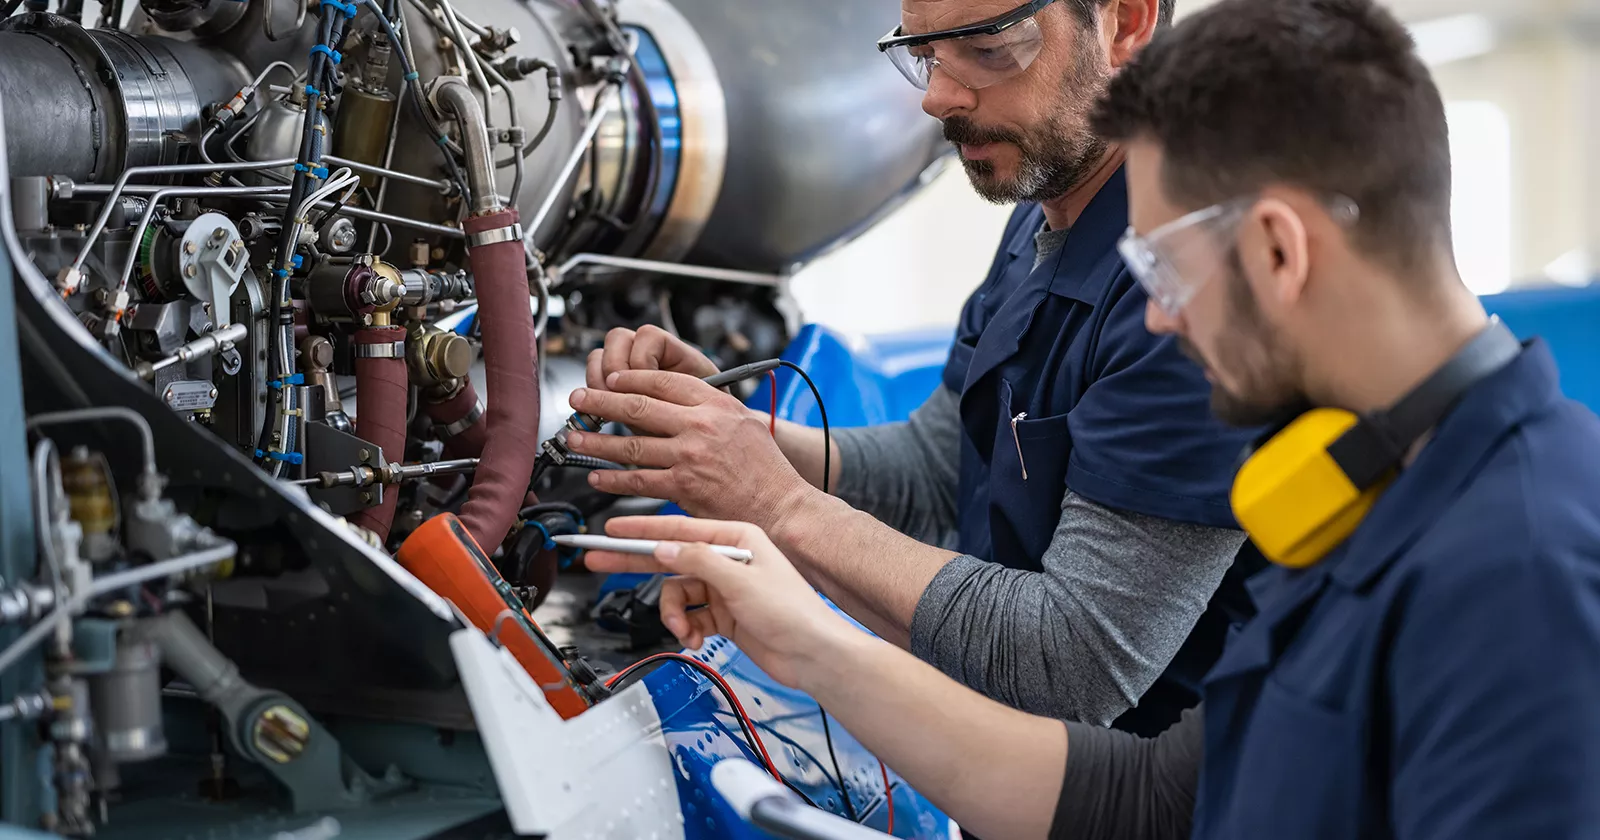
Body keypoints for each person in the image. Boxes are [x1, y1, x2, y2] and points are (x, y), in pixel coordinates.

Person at [580, 0, 1600, 837]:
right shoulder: (1352, 500)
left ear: (1279, 253)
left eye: (1161, 268)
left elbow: (1081, 670)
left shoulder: (1519, 571)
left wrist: (786, 524)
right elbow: (1152, 799)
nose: (1152, 311)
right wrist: (802, 631)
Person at [562, 0, 1262, 735]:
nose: (936, 98)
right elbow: (941, 471)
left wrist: (776, 505)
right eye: (925, 51)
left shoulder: (1196, 292)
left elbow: (1076, 664)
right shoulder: (1046, 214)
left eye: (989, 47)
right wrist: (735, 438)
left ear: (1125, 22)